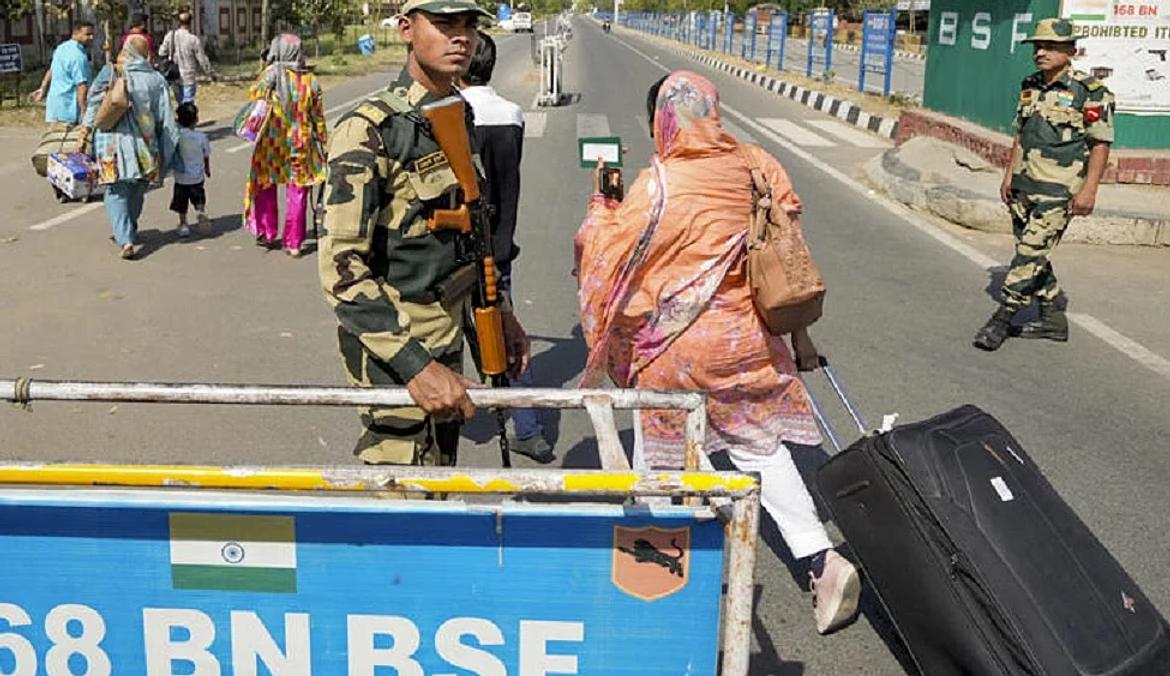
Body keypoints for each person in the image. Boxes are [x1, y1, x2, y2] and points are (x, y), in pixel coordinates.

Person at [574, 71, 860, 635]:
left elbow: (603, 252)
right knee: (761, 448)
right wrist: (800, 338)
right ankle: (822, 561)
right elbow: (789, 245)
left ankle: (658, 583)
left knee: (663, 457)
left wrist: (602, 201)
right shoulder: (758, 164)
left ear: (662, 121)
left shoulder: (659, 184)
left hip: (679, 353)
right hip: (751, 340)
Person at [319, 0, 532, 467]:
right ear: (406, 30)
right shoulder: (369, 129)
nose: (461, 37)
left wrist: (502, 314)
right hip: (396, 354)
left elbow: (471, 235)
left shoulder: (457, 114)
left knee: (440, 472)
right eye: (444, 24)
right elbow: (341, 270)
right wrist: (417, 367)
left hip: (449, 334)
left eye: (468, 25)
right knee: (401, 494)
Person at [974, 18, 1114, 351]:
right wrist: (1009, 174)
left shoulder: (1091, 91)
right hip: (1024, 184)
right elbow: (1020, 133)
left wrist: (1089, 190)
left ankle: (1003, 317)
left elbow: (1101, 144)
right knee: (1033, 251)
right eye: (1038, 46)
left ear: (1071, 51)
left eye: (1050, 46)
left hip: (1059, 189)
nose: (1041, 52)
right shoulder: (1030, 84)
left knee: (1029, 252)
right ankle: (1053, 318)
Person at [459, 32, 553, 463]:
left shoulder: (452, 114)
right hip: (498, 247)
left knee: (448, 336)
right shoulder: (512, 113)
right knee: (507, 335)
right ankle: (528, 428)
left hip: (455, 250)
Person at [80, 35, 179, 259]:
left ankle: (125, 239)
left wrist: (85, 131)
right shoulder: (157, 80)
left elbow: (94, 103)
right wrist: (167, 151)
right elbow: (167, 120)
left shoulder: (112, 72)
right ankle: (130, 229)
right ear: (146, 54)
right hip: (146, 145)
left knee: (116, 192)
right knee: (137, 190)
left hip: (111, 144)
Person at [241, 33, 326, 258]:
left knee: (266, 185)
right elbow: (318, 117)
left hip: (270, 143)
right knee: (297, 190)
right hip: (301, 143)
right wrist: (324, 142)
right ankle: (294, 242)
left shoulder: (266, 78)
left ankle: (267, 232)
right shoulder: (310, 81)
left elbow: (253, 103)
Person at [31, 21, 95, 127]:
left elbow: (51, 70)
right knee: (70, 142)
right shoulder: (78, 56)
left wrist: (43, 88)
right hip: (69, 110)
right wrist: (84, 111)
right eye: (87, 34)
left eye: (92, 34)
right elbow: (81, 86)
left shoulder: (61, 48)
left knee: (55, 141)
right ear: (76, 34)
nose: (91, 37)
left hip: (55, 108)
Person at [171, 102, 211, 238]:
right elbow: (206, 155)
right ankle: (200, 212)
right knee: (198, 197)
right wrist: (207, 169)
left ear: (178, 120)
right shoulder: (201, 137)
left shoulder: (177, 137)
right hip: (197, 176)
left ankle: (183, 225)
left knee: (181, 203)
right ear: (196, 120)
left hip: (181, 177)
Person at [159, 11, 212, 104]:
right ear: (190, 22)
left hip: (174, 74)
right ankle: (187, 117)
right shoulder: (193, 39)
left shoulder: (170, 36)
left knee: (180, 102)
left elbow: (161, 52)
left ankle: (181, 116)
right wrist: (209, 71)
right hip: (188, 75)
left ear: (178, 22)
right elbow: (202, 58)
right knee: (188, 101)